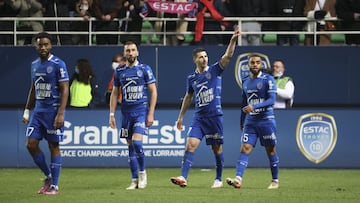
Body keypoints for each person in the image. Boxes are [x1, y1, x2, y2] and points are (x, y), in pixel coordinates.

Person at [170, 28, 240, 188]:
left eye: (206, 56)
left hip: (214, 117)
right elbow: (188, 97)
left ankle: (218, 179)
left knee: (217, 149)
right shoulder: (191, 78)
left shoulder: (215, 70)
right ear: (195, 60)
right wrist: (180, 117)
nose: (204, 59)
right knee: (190, 145)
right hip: (199, 118)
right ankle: (183, 177)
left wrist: (233, 41)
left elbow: (227, 56)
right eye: (201, 57)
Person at [22, 32, 69, 195]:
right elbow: (33, 88)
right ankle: (48, 176)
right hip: (38, 113)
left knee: (53, 146)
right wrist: (27, 110)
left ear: (51, 45)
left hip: (53, 112)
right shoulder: (34, 64)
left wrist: (60, 114)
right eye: (40, 44)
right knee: (31, 144)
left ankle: (55, 186)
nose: (43, 47)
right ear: (36, 46)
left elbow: (65, 89)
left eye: (46, 44)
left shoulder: (58, 64)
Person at [226, 54, 279, 190]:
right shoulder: (245, 81)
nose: (255, 65)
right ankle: (238, 178)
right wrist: (242, 120)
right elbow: (244, 103)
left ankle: (275, 181)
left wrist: (254, 107)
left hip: (266, 120)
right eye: (252, 63)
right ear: (248, 65)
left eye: (257, 62)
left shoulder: (268, 79)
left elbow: (271, 101)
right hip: (251, 122)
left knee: (270, 150)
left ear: (261, 65)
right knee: (245, 148)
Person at [109, 41, 157, 190]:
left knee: (137, 143)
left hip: (140, 111)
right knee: (130, 147)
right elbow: (115, 92)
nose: (130, 53)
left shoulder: (144, 69)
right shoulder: (120, 71)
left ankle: (142, 174)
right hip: (126, 113)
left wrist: (151, 113)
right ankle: (134, 179)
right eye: (128, 50)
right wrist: (111, 114)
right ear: (125, 53)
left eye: (133, 50)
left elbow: (153, 91)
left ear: (137, 52)